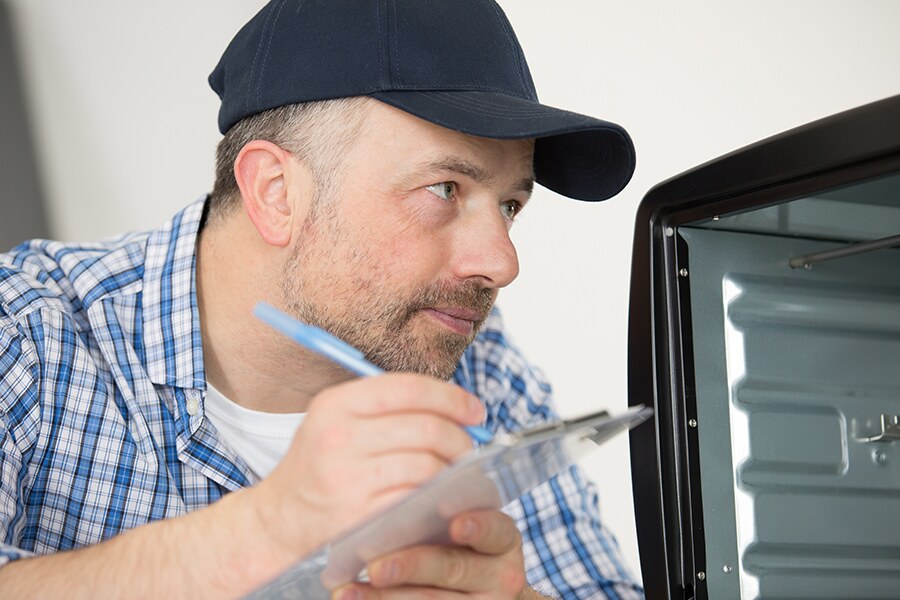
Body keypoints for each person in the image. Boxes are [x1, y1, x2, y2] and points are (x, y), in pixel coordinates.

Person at [0, 0, 641, 598]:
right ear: (276, 191)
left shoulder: (480, 371)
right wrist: (267, 528)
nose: (502, 262)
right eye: (444, 188)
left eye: (509, 205)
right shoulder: (26, 336)